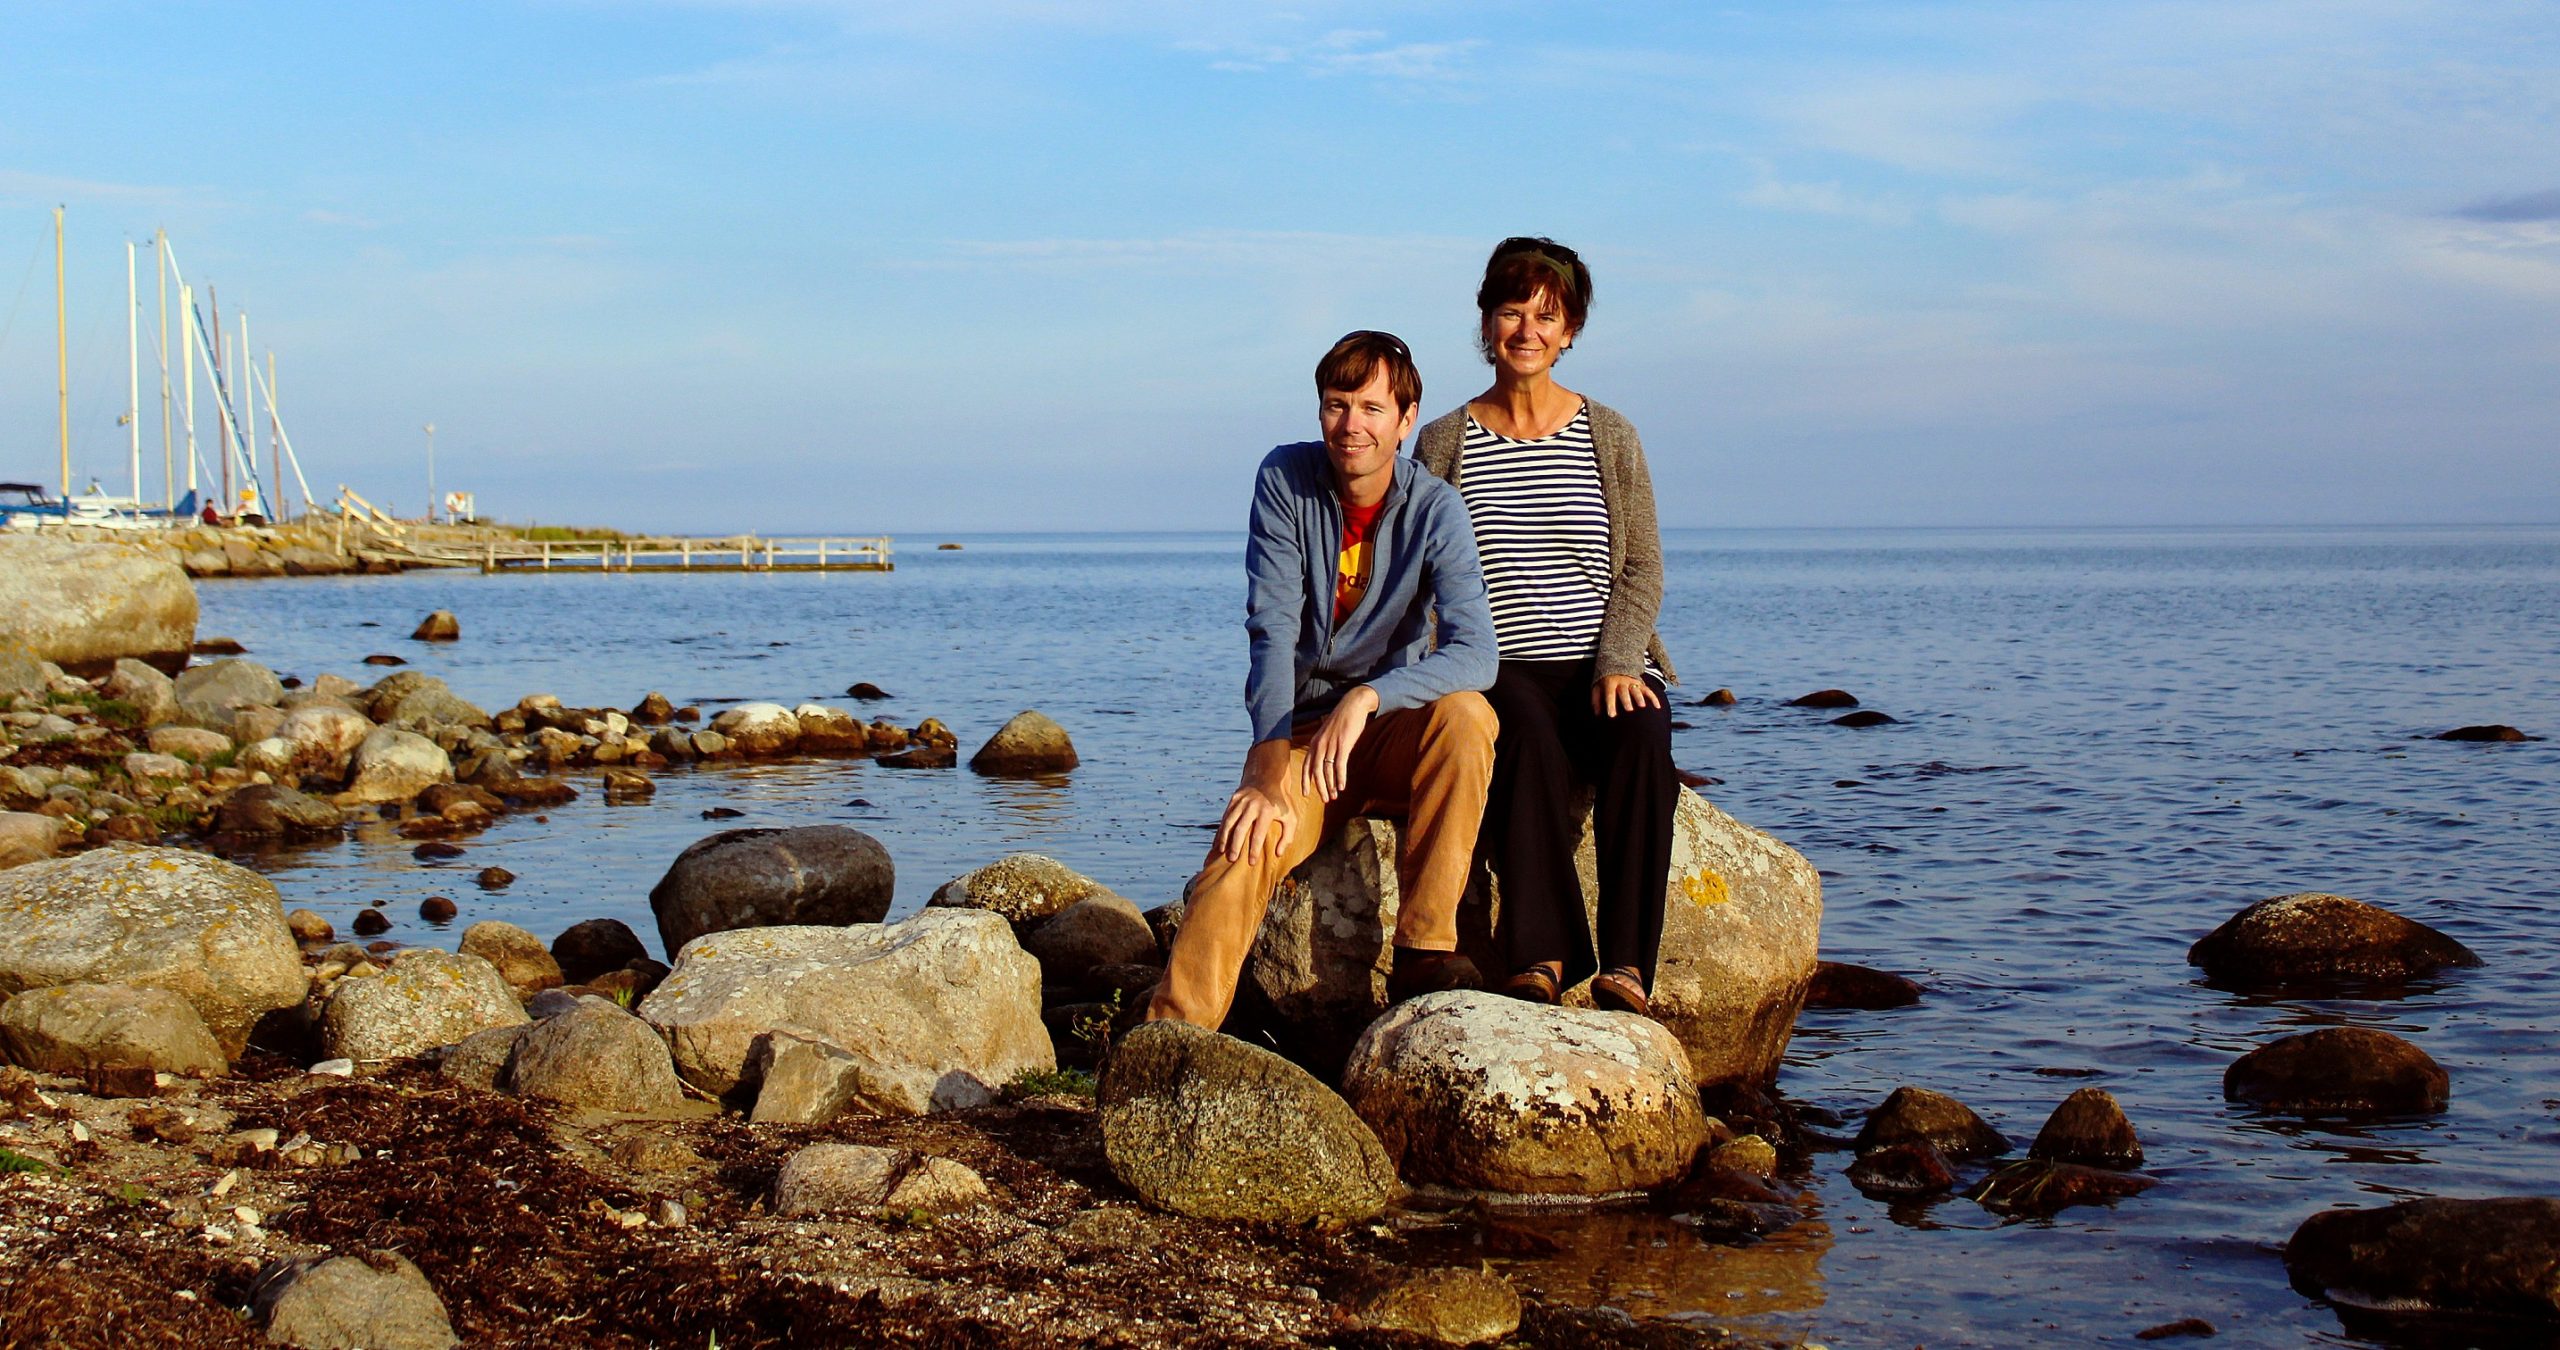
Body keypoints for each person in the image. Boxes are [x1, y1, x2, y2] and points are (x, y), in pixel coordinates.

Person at [1147, 330, 1500, 1031]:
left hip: (1389, 734)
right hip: (1307, 740)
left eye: (1371, 408)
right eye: (1337, 404)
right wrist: (1266, 770)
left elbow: (1477, 654)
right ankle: (1170, 1037)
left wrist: (1371, 697)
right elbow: (1271, 629)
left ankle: (1425, 948)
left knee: (1468, 716)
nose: (1351, 425)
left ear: (1406, 419)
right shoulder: (1286, 478)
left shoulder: (1436, 509)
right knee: (1249, 838)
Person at [1414, 237, 1680, 1017]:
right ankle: (1542, 954)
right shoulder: (1444, 440)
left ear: (1570, 332)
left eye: (1546, 316)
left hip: (1600, 660)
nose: (1526, 330)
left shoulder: (1611, 433)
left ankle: (1627, 966)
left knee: (1642, 736)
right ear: (1486, 324)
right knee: (1523, 733)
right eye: (1511, 312)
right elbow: (1422, 573)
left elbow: (1643, 568)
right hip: (1499, 663)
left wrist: (1619, 663)